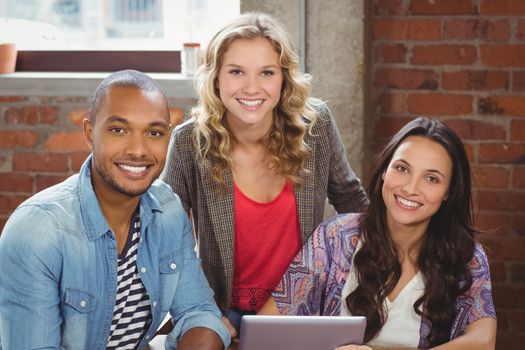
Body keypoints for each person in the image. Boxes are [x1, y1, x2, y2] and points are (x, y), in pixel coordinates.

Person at [160, 12, 368, 332]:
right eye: (237, 72)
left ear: (284, 78)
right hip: (221, 313)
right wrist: (201, 310)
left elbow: (352, 202)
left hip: (304, 311)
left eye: (267, 72)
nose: (252, 88)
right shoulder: (189, 143)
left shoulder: (316, 125)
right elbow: (165, 240)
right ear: (216, 77)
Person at [0, 70, 230, 350]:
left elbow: (198, 311)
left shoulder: (167, 210)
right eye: (118, 130)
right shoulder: (38, 231)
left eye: (154, 133)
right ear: (89, 134)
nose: (137, 150)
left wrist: (204, 331)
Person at [261, 117, 497, 349]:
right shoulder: (336, 236)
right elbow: (266, 328)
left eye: (431, 178)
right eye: (402, 169)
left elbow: (483, 341)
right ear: (385, 170)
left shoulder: (466, 256)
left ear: (448, 192)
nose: (410, 188)